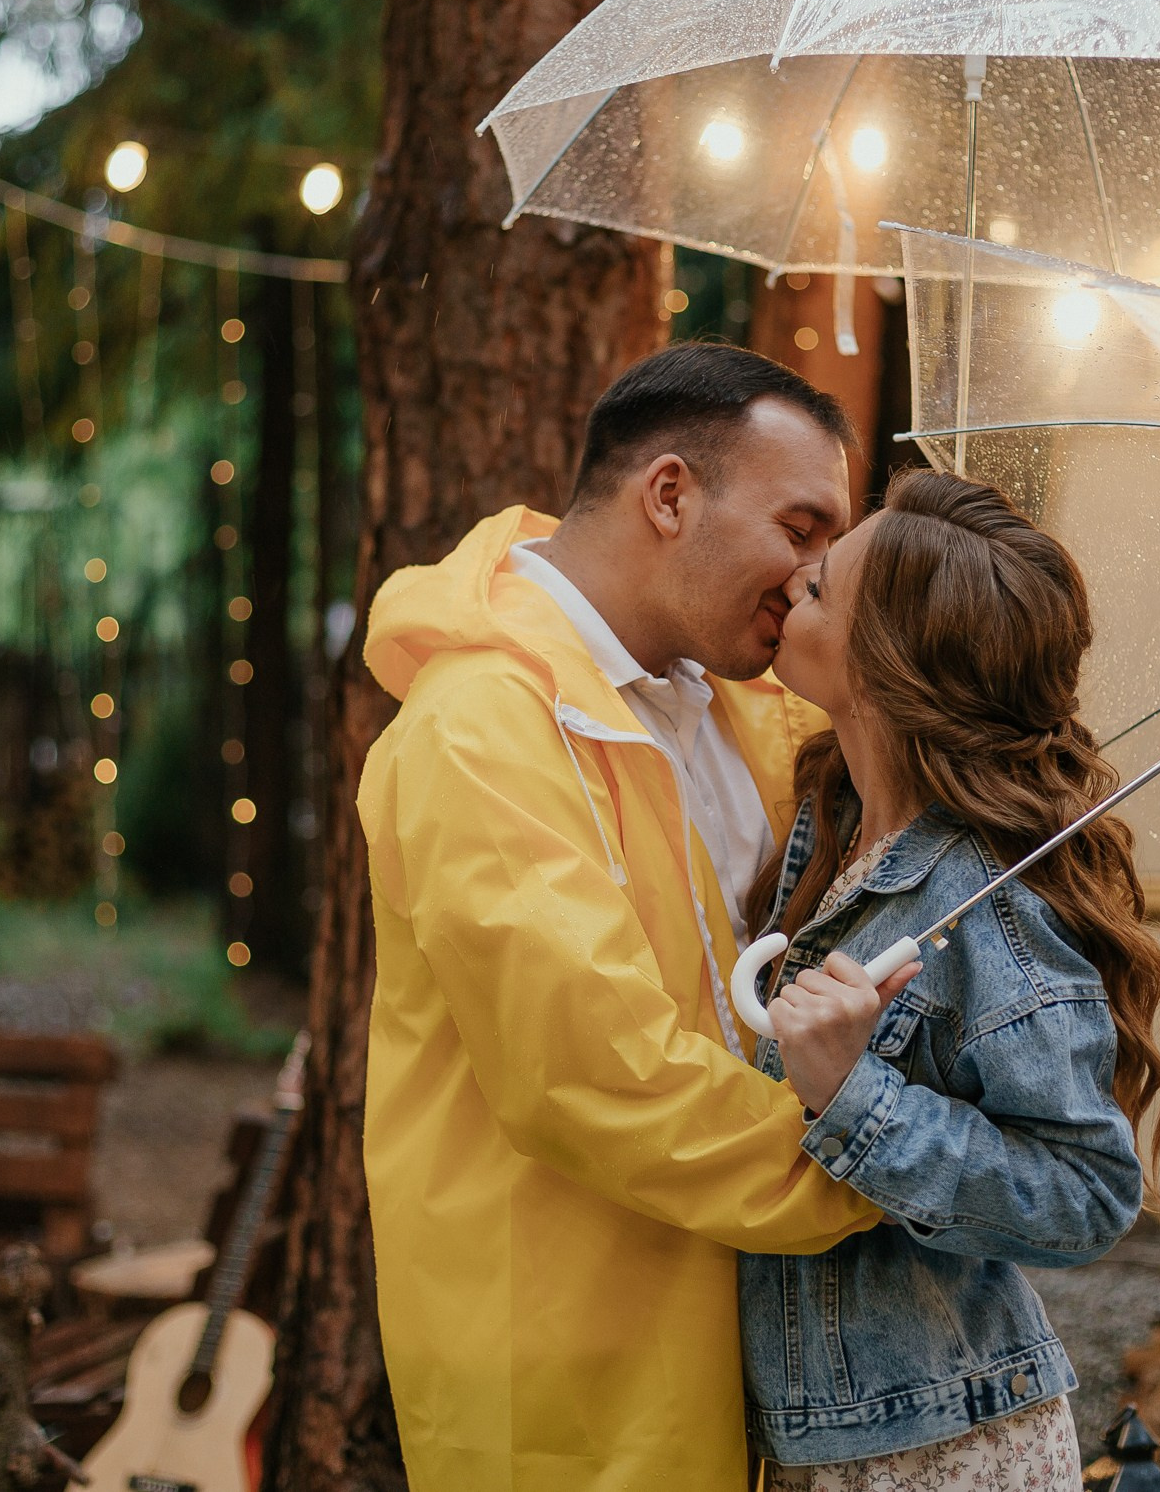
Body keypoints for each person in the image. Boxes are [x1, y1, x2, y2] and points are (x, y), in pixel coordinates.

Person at [358, 344, 919, 1492]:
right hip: (564, 1355)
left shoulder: (744, 704)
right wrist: (887, 1165)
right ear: (669, 493)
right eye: (802, 526)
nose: (818, 572)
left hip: (747, 1320)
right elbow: (597, 1071)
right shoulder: (478, 729)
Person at [735, 467, 1160, 1490]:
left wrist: (857, 1098)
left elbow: (1087, 1192)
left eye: (820, 587)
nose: (793, 575)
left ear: (886, 663)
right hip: (830, 1433)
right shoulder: (829, 825)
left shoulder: (989, 902)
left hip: (937, 1449)